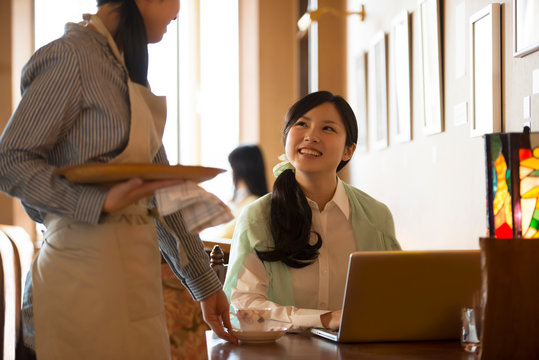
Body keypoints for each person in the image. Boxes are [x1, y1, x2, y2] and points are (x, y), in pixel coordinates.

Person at [0, 1, 235, 359]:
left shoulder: (123, 69)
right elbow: (9, 161)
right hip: (78, 286)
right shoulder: (70, 57)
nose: (178, 11)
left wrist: (204, 286)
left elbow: (161, 192)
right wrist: (96, 202)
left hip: (133, 289)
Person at [223, 91, 401, 332]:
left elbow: (393, 297)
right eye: (302, 124)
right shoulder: (258, 217)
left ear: (348, 151)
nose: (311, 136)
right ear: (286, 136)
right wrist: (324, 319)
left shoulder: (376, 218)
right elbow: (244, 308)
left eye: (327, 128)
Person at [218, 145, 269, 239]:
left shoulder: (253, 204)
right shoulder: (237, 201)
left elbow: (227, 236)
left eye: (232, 168)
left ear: (241, 169)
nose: (231, 173)